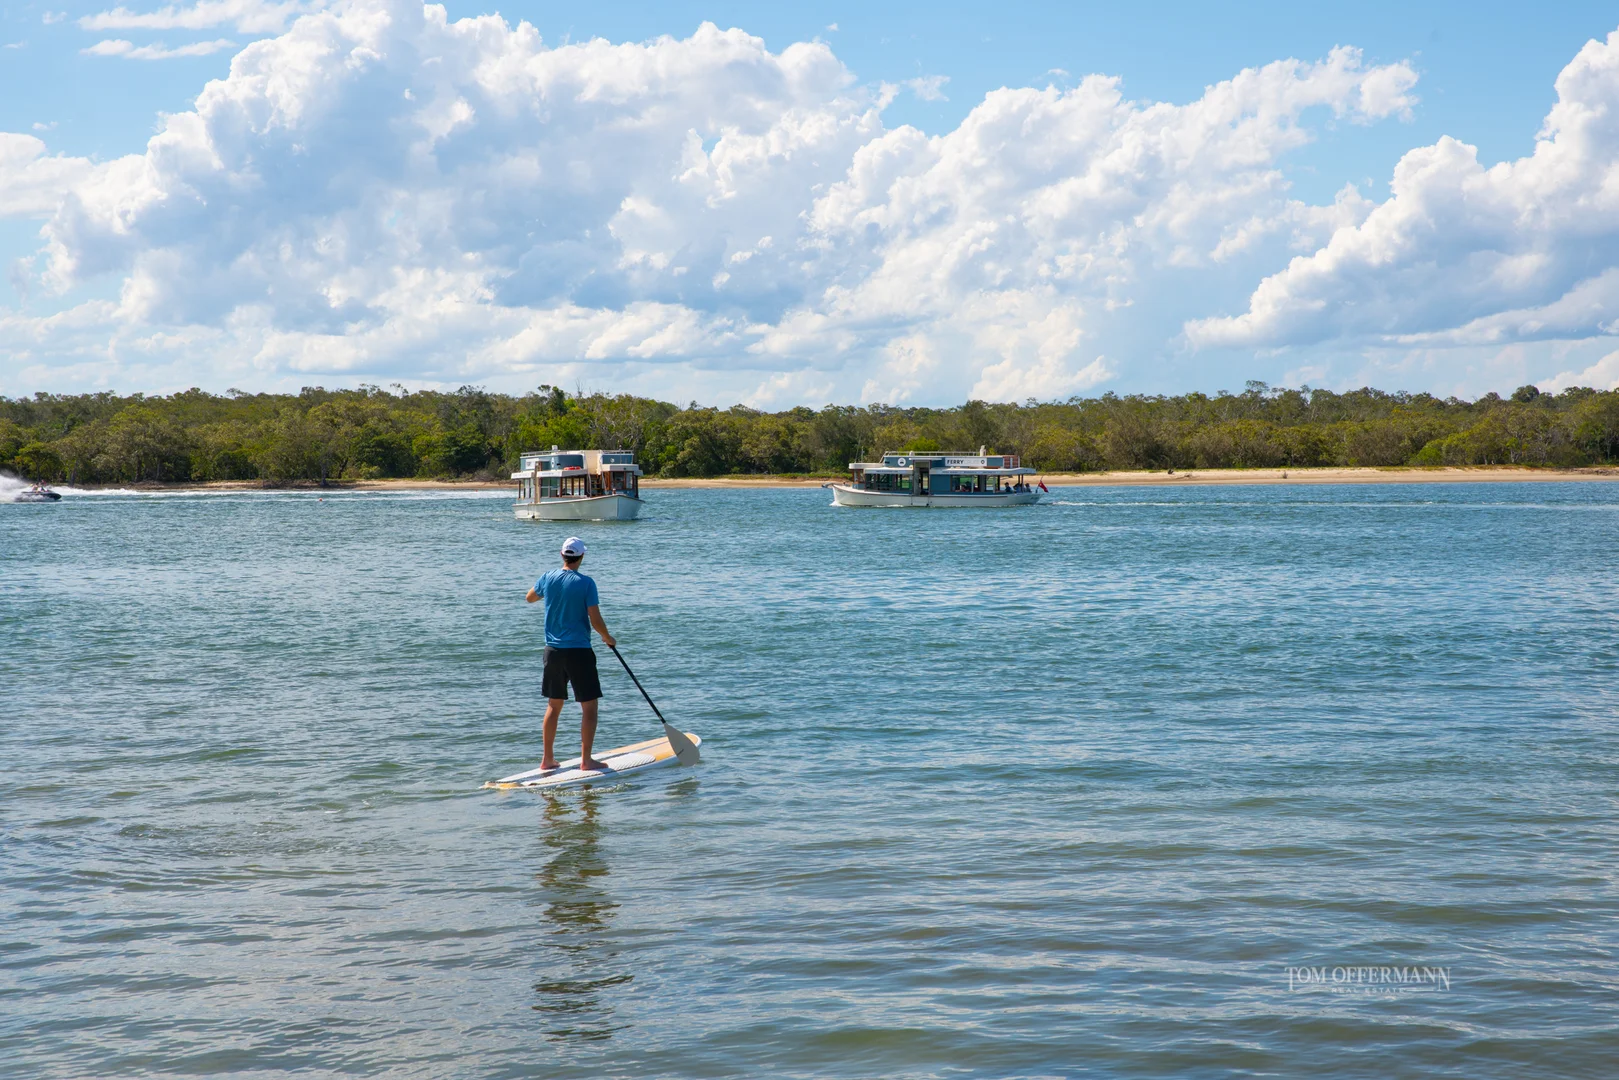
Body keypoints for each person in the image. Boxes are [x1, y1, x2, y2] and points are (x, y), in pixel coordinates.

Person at [525, 536, 617, 772]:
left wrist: (551, 593)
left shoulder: (548, 577)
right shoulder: (586, 583)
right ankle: (586, 760)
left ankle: (547, 759)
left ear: (562, 555)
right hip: (579, 652)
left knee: (553, 706)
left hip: (552, 652)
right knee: (589, 707)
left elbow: (530, 597)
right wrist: (607, 638)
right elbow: (595, 619)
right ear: (581, 556)